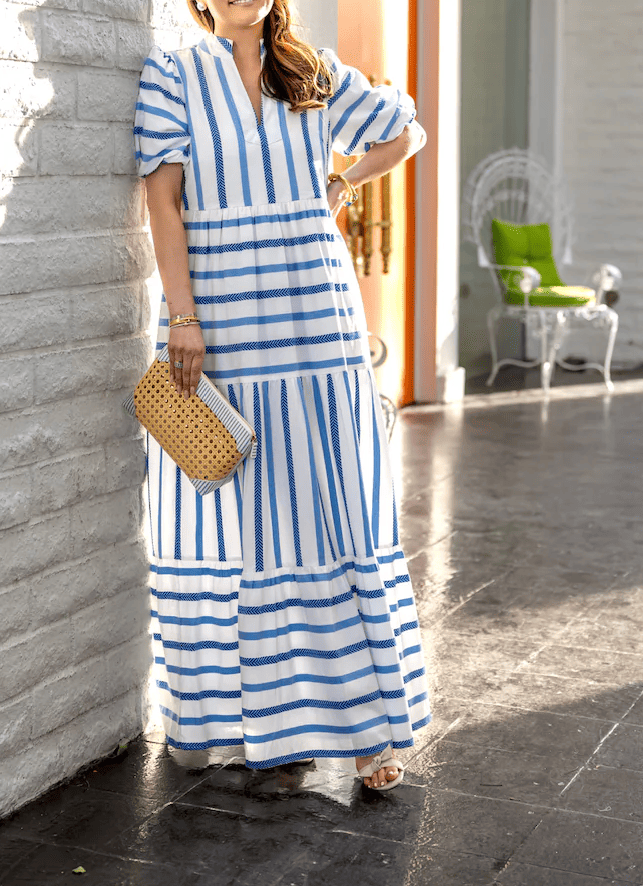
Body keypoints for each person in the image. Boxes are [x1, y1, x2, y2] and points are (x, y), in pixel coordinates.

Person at [134, 0, 429, 791]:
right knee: (237, 508)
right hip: (222, 314)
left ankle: (369, 734)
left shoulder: (314, 68)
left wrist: (341, 177)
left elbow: (406, 131)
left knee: (333, 500)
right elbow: (163, 200)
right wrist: (183, 316)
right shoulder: (173, 71)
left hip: (318, 308)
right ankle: (253, 720)